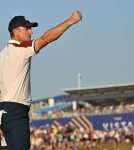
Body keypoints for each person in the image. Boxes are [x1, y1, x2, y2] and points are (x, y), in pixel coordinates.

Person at [0, 10, 82, 150]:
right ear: (15, 31)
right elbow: (46, 38)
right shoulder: (20, 49)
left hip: (4, 112)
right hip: (15, 112)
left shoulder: (3, 54)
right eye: (27, 28)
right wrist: (70, 21)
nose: (31, 32)